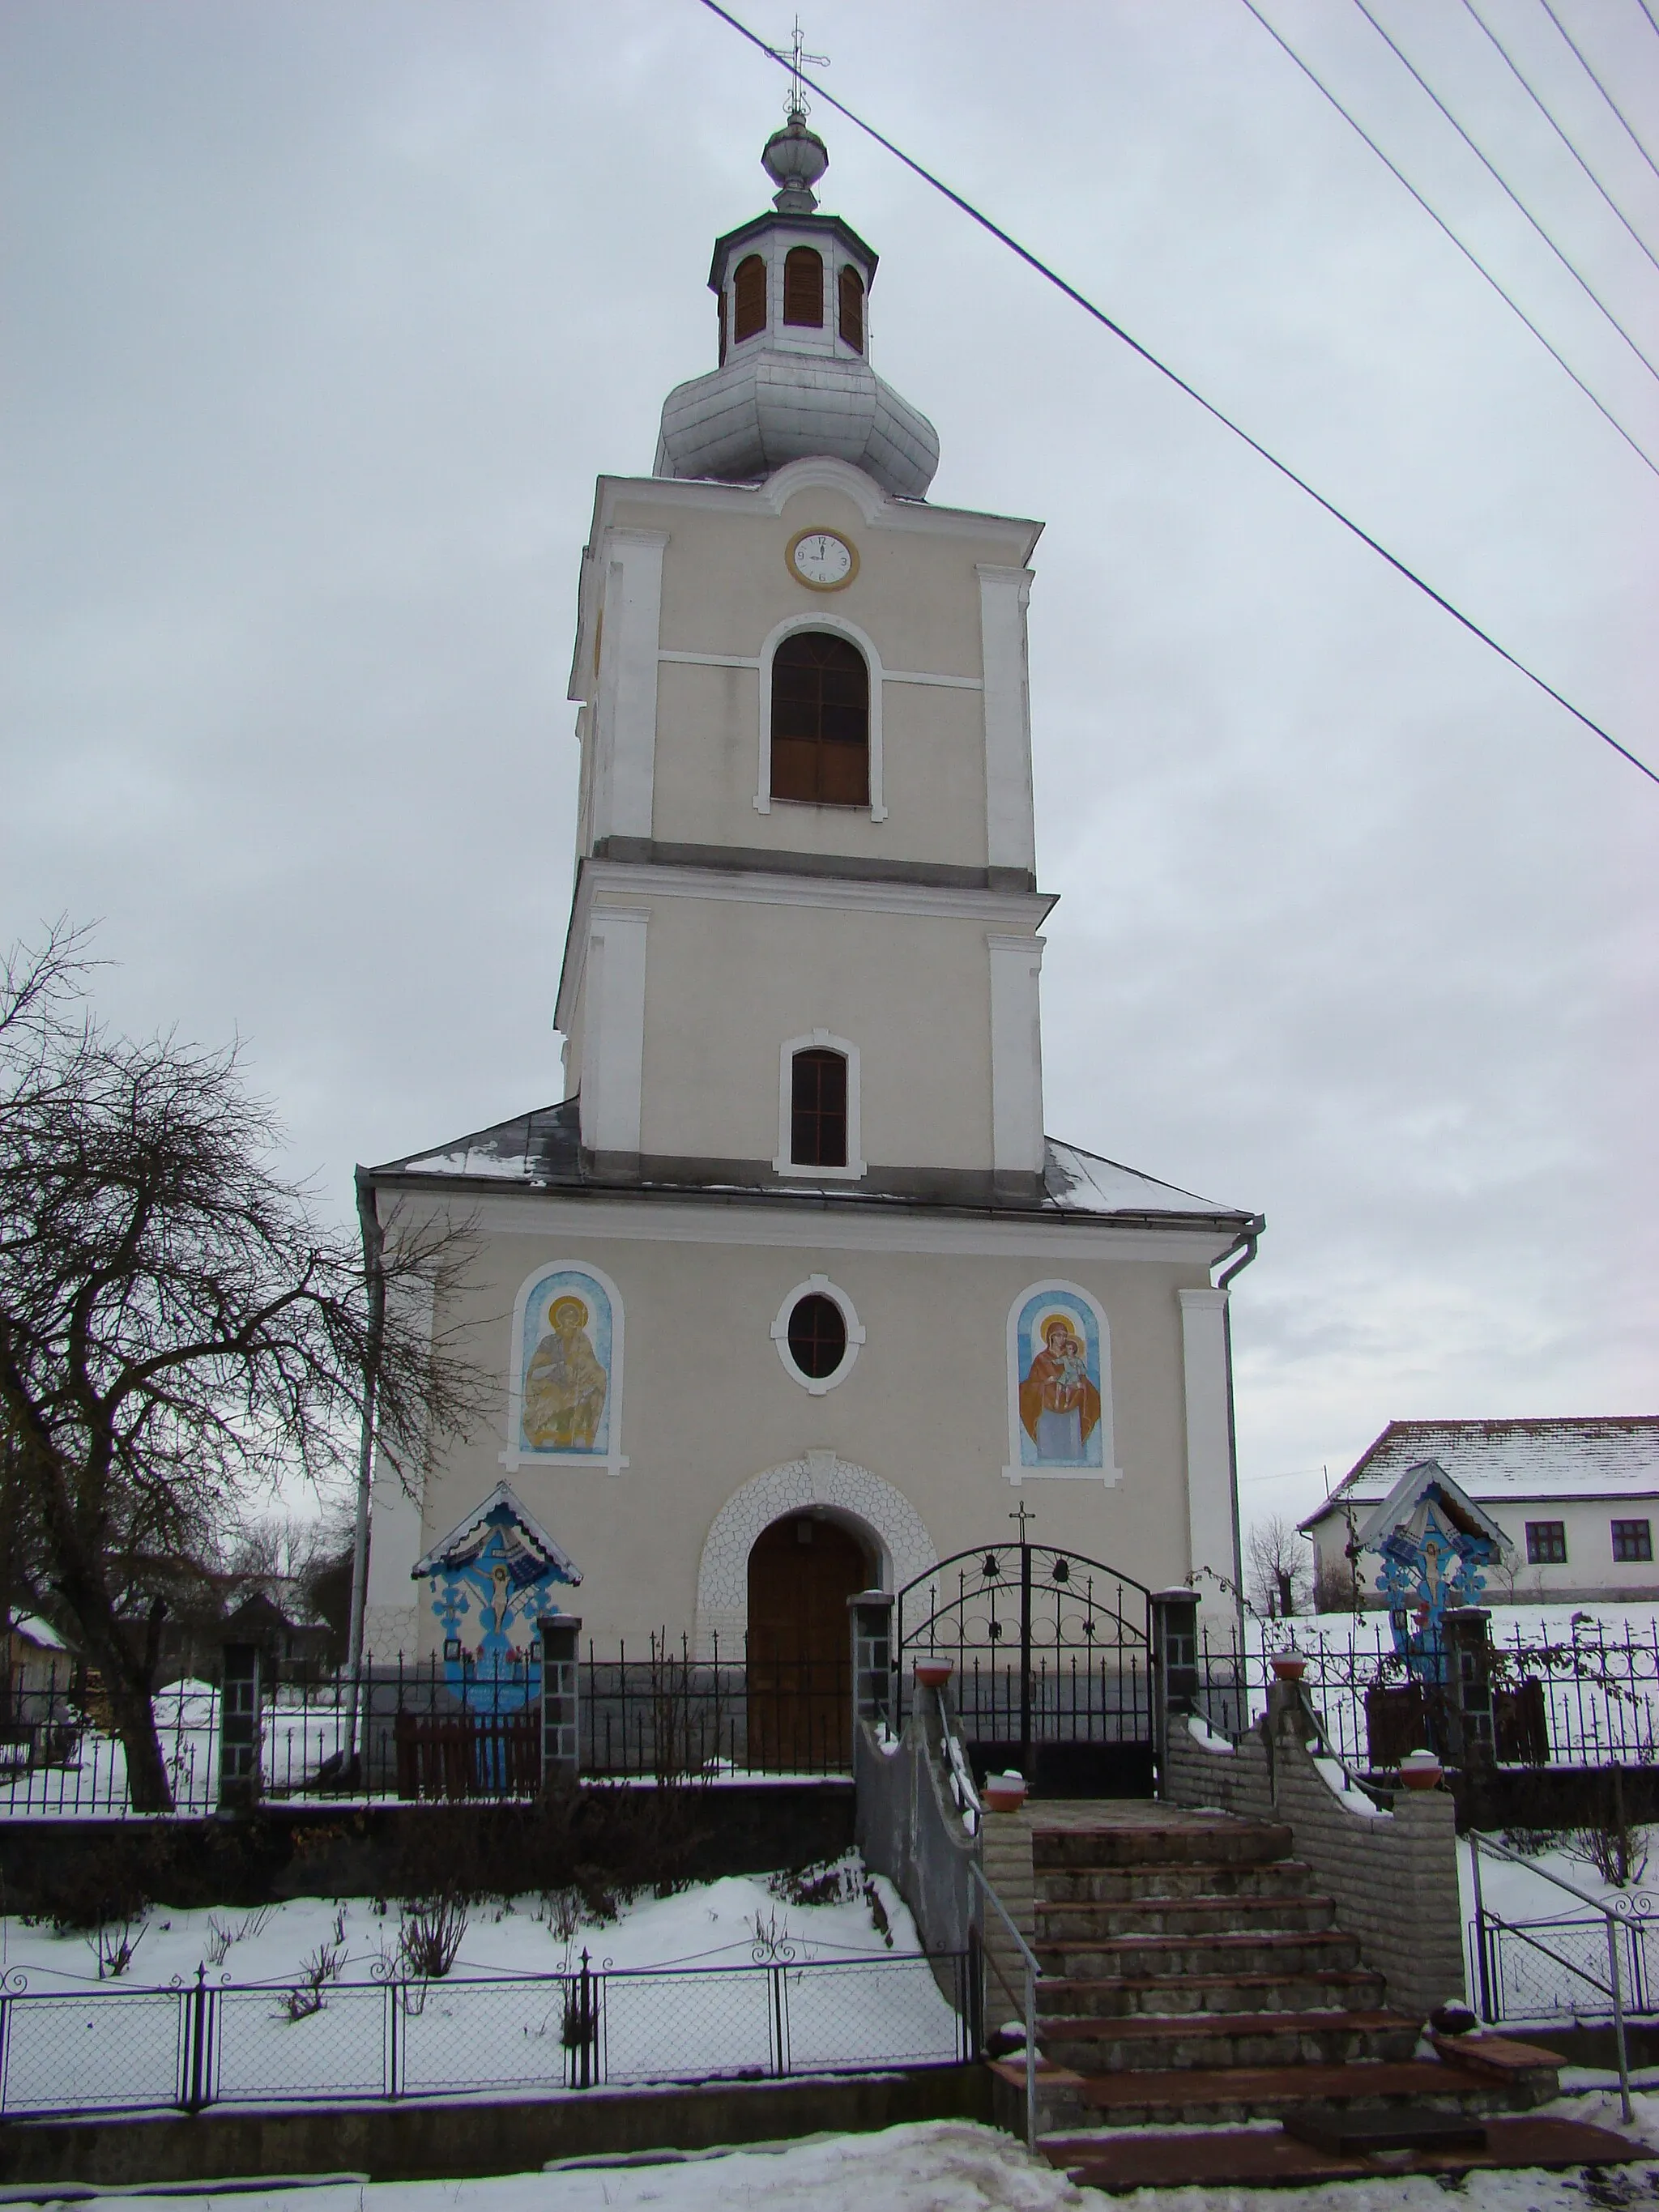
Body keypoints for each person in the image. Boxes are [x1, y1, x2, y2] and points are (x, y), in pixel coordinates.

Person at [522, 1293, 608, 1449]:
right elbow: (535, 1372)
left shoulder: (582, 1341)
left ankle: (579, 1439)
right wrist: (560, 1365)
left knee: (585, 1399)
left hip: (576, 1388)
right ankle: (549, 1436)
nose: (572, 1321)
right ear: (560, 1319)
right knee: (551, 1400)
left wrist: (592, 1375)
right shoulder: (549, 1342)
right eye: (568, 1317)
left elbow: (592, 1367)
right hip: (552, 1386)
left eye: (575, 1317)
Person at [1019, 1313, 1102, 1462]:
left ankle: (1073, 1455)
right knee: (1048, 1431)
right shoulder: (1042, 1359)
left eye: (1064, 1336)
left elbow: (1080, 1375)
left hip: (1071, 1402)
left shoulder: (1072, 1358)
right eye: (1058, 1335)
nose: (1061, 1339)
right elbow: (1033, 1381)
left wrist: (1082, 1385)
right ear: (1050, 1336)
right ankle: (1047, 1456)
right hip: (1048, 1403)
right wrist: (1045, 1382)